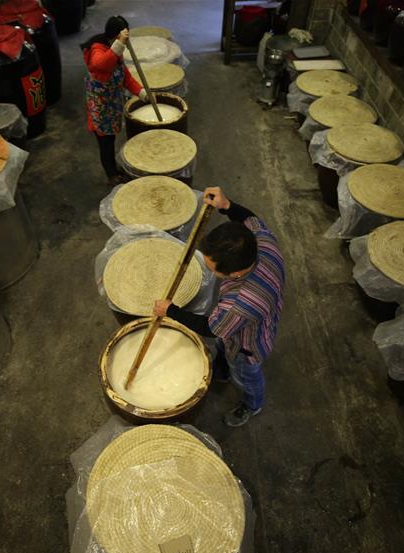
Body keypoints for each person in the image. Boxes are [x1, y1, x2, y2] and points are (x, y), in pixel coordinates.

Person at [154, 187, 285, 427]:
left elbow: (210, 328)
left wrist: (170, 310)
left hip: (247, 346)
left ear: (234, 273)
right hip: (252, 320)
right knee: (224, 348)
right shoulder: (263, 242)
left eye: (211, 268)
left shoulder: (239, 303)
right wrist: (227, 205)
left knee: (246, 376)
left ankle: (252, 404)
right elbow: (249, 219)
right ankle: (222, 370)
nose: (209, 271)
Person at [81, 16, 147, 185]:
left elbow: (126, 77)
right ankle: (111, 175)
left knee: (111, 139)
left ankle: (114, 170)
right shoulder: (98, 50)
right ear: (116, 37)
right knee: (106, 144)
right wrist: (119, 44)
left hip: (112, 105)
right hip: (101, 110)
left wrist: (142, 93)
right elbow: (100, 64)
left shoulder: (115, 51)